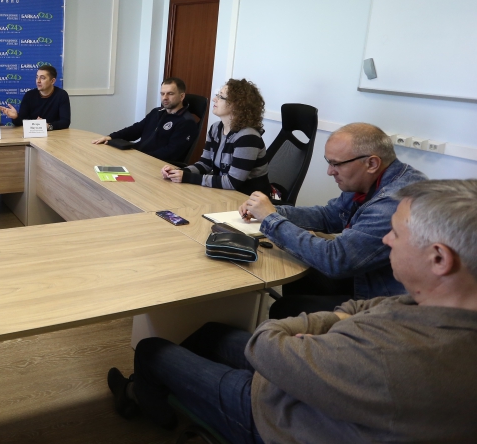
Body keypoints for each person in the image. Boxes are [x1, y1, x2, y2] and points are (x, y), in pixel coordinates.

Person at [107, 179, 477, 443]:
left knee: (152, 350)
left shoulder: (396, 354)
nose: (385, 239)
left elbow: (266, 344)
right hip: (310, 382)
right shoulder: (437, 304)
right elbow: (362, 306)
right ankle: (176, 388)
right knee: (210, 333)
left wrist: (307, 334)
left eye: (396, 233)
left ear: (438, 258)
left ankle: (141, 400)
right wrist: (329, 326)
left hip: (280, 419)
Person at [239, 122, 427, 318]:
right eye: (329, 162)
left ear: (372, 164)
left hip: (383, 301)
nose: (330, 171)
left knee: (285, 308)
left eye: (336, 164)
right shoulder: (370, 181)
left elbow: (335, 259)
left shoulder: (393, 203)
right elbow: (330, 215)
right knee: (298, 266)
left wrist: (271, 219)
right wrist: (273, 211)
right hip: (364, 276)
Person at [161, 79, 270, 195]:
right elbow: (205, 164)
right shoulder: (216, 128)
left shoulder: (248, 137)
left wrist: (187, 177)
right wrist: (178, 172)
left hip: (247, 198)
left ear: (236, 105)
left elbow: (232, 182)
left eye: (220, 97)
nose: (214, 99)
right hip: (223, 193)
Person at [92, 78, 198, 161]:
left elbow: (171, 152)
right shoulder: (157, 112)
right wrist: (111, 137)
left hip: (155, 165)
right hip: (139, 156)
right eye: (162, 94)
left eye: (170, 94)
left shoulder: (186, 122)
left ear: (182, 96)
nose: (165, 97)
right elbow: (136, 129)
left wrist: (140, 157)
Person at [0, 64, 70, 130]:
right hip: (33, 133)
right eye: (37, 77)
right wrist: (15, 117)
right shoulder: (29, 95)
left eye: (42, 78)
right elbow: (21, 123)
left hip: (55, 134)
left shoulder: (61, 95)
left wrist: (48, 126)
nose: (38, 81)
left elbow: (65, 122)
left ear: (52, 81)